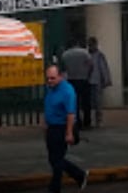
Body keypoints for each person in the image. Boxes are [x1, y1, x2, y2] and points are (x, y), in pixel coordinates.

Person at [43, 65, 88, 193]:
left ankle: (54, 188)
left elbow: (70, 114)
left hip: (61, 127)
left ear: (60, 76)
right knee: (54, 159)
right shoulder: (51, 89)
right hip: (52, 126)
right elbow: (49, 106)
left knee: (57, 160)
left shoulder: (67, 91)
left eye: (53, 78)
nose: (50, 81)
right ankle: (79, 175)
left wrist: (69, 132)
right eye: (48, 78)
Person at [61, 39, 93, 131]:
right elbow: (91, 65)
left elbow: (63, 68)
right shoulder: (84, 53)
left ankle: (77, 121)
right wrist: (88, 74)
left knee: (75, 102)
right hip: (83, 79)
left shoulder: (65, 54)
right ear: (78, 43)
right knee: (86, 102)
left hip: (71, 79)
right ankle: (87, 121)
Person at [87, 37, 113, 127]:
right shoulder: (87, 54)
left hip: (96, 80)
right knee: (91, 102)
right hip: (89, 80)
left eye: (92, 44)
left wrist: (106, 80)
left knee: (98, 102)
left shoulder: (99, 55)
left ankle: (98, 120)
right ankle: (91, 120)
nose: (91, 46)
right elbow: (104, 68)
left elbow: (103, 68)